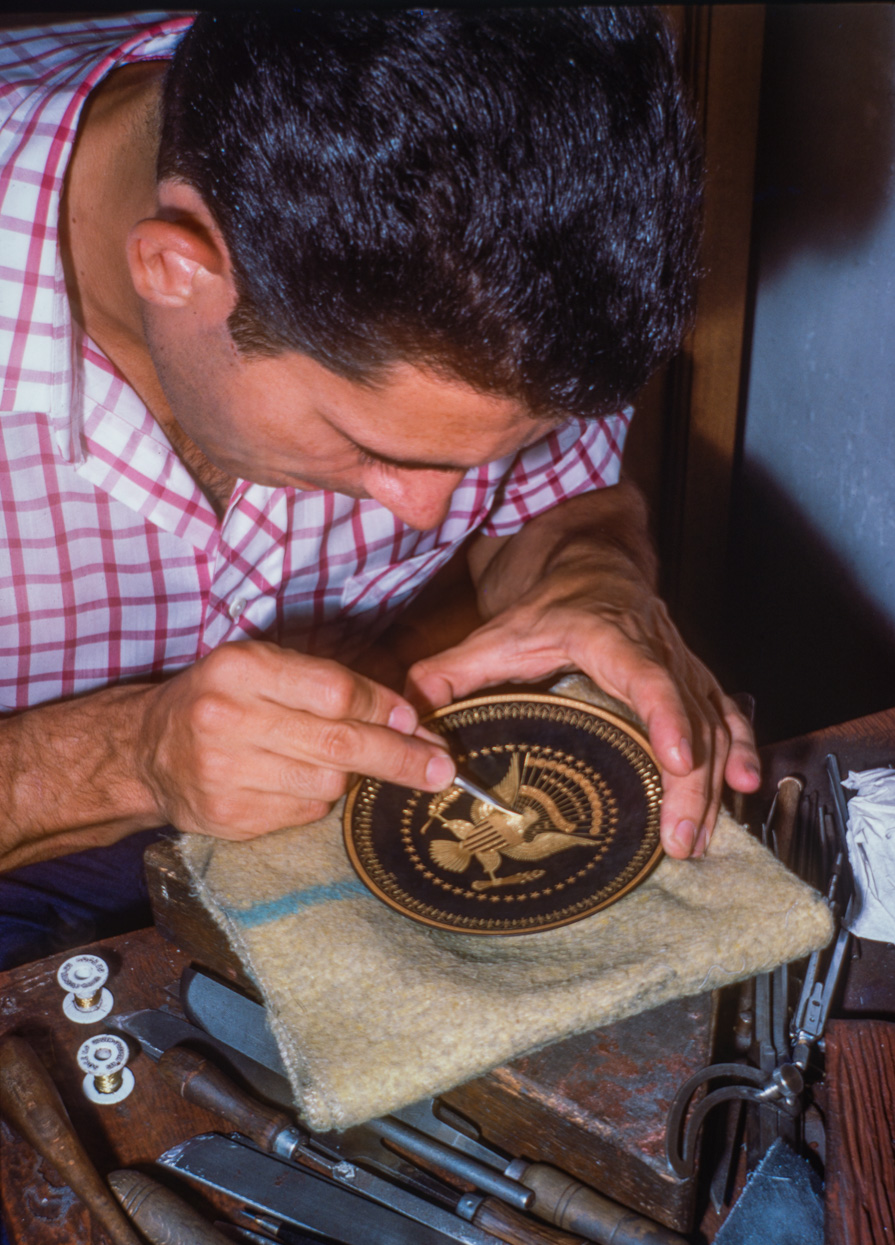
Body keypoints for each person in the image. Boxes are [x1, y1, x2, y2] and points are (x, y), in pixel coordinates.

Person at [0, 8, 761, 972]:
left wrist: (588, 577)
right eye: (369, 444)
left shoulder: (520, 242)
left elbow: (556, 497)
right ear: (175, 268)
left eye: (480, 456)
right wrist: (119, 759)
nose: (421, 512)